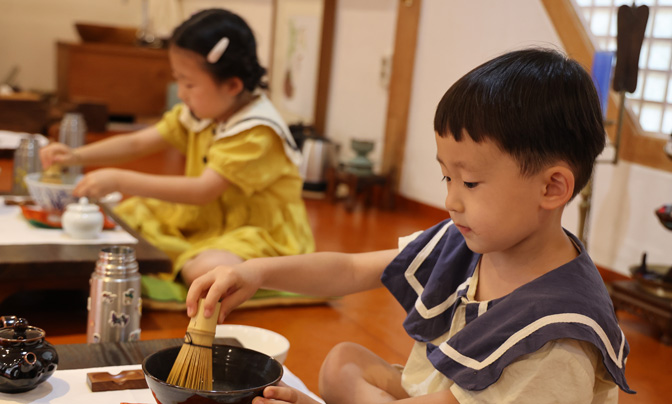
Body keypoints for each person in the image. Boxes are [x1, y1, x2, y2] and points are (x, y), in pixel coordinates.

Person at [187, 47, 634, 403]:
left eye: (470, 182)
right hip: (435, 392)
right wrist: (256, 272)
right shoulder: (472, 241)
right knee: (342, 362)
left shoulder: (558, 331)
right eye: (446, 177)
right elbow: (350, 269)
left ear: (552, 187)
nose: (451, 200)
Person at [40, 9, 315, 304]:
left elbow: (203, 191)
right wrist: (75, 155)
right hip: (211, 219)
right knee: (124, 220)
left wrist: (119, 180)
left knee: (205, 271)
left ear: (232, 85)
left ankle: (245, 272)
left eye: (189, 84)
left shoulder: (256, 132)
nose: (181, 93)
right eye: (178, 80)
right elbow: (137, 143)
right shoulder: (204, 111)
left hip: (258, 231)